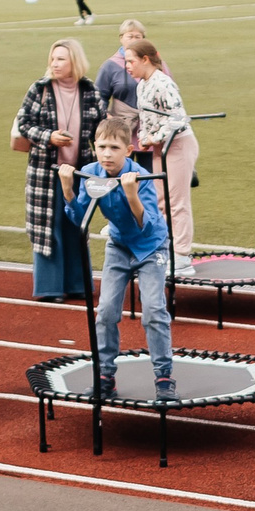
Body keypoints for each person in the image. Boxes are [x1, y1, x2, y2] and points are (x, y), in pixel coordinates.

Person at [60, 117, 176, 398]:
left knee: (153, 311)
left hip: (151, 247)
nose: (107, 154)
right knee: (107, 311)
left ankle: (164, 377)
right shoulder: (91, 173)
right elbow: (79, 218)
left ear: (128, 150)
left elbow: (144, 225)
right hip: (119, 245)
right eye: (101, 147)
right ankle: (105, 375)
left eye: (114, 147)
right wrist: (67, 188)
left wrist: (131, 194)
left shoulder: (139, 176)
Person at [15, 39, 100, 301]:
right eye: (53, 58)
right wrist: (48, 136)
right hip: (45, 171)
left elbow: (101, 125)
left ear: (75, 61)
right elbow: (23, 124)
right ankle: (49, 288)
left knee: (76, 227)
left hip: (79, 171)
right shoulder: (39, 89)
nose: (54, 63)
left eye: (61, 58)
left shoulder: (89, 90)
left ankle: (77, 285)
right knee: (48, 227)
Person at [125, 37, 198, 270]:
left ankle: (182, 255)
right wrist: (145, 138)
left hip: (177, 145)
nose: (127, 66)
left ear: (145, 59)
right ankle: (165, 247)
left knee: (177, 202)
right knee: (161, 201)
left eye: (130, 61)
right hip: (160, 149)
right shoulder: (142, 84)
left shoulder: (163, 83)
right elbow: (146, 118)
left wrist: (153, 138)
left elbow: (178, 119)